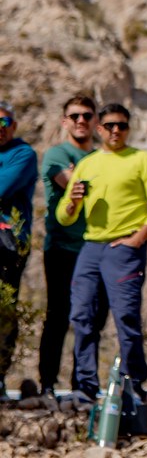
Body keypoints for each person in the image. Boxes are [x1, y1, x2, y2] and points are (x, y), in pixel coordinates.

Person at [58, 103, 147, 401]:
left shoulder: (141, 160)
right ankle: (85, 386)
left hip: (124, 249)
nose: (115, 131)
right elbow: (64, 215)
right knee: (82, 316)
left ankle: (132, 384)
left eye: (121, 125)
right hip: (90, 248)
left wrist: (138, 238)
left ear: (128, 128)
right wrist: (72, 202)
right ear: (99, 128)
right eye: (109, 125)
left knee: (125, 317)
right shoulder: (88, 163)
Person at [38, 96, 109, 397]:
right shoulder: (57, 154)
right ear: (64, 121)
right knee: (59, 314)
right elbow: (77, 187)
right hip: (62, 248)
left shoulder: (101, 157)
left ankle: (83, 384)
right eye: (75, 116)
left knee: (92, 318)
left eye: (87, 116)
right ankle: (48, 383)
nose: (81, 121)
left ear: (96, 122)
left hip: (95, 248)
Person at [0, 100, 38, 401]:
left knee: (4, 309)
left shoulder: (23, 154)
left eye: (3, 123)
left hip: (8, 245)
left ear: (12, 126)